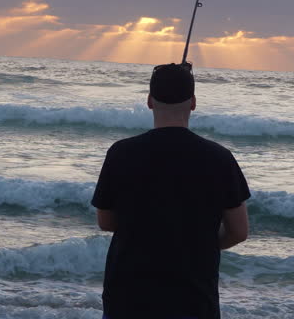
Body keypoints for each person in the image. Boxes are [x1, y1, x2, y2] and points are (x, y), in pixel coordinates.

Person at [91, 63, 251, 319]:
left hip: (128, 296)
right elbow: (239, 231)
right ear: (194, 103)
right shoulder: (219, 158)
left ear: (149, 101)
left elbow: (106, 221)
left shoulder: (121, 153)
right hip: (193, 297)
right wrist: (199, 243)